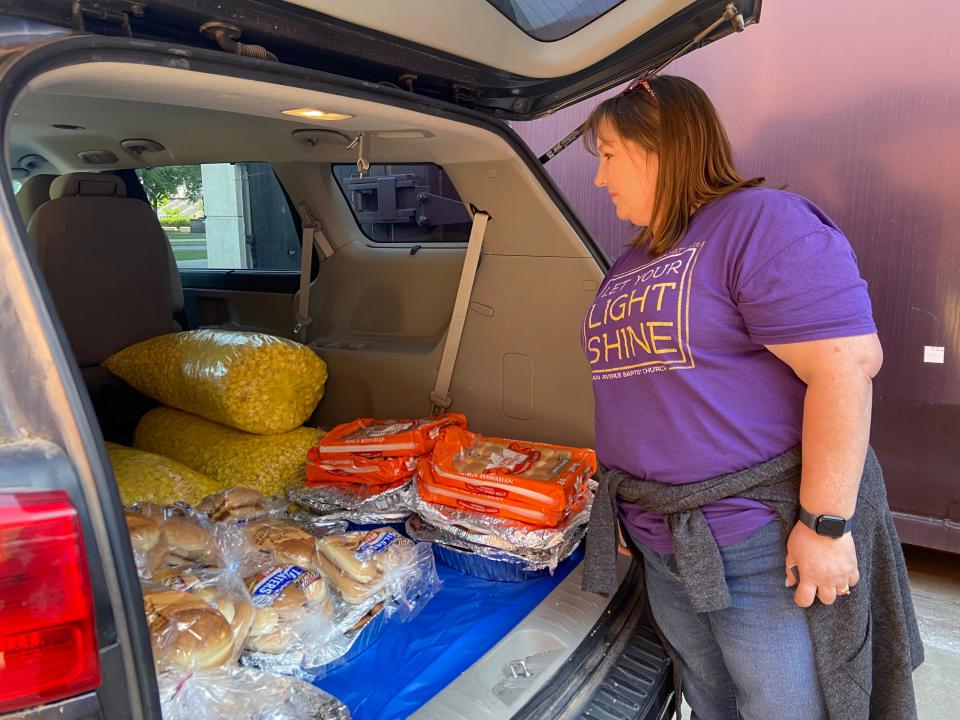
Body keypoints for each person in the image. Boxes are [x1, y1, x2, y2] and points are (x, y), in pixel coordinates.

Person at [579, 75, 922, 719]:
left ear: (662, 145)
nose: (600, 179)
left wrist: (825, 526)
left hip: (758, 542)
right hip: (663, 538)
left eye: (607, 153)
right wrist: (631, 505)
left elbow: (846, 365)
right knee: (708, 699)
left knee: (785, 707)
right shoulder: (633, 260)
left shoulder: (760, 222)